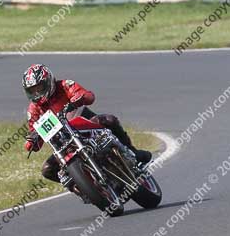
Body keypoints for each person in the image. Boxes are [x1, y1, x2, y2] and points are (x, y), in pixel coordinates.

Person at [22, 64, 152, 189]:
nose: (37, 93)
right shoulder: (33, 110)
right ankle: (82, 187)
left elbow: (89, 96)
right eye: (32, 91)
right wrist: (32, 141)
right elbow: (34, 136)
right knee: (47, 170)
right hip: (63, 144)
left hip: (85, 124)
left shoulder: (65, 85)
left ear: (48, 81)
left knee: (109, 119)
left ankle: (133, 152)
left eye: (39, 88)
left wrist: (79, 97)